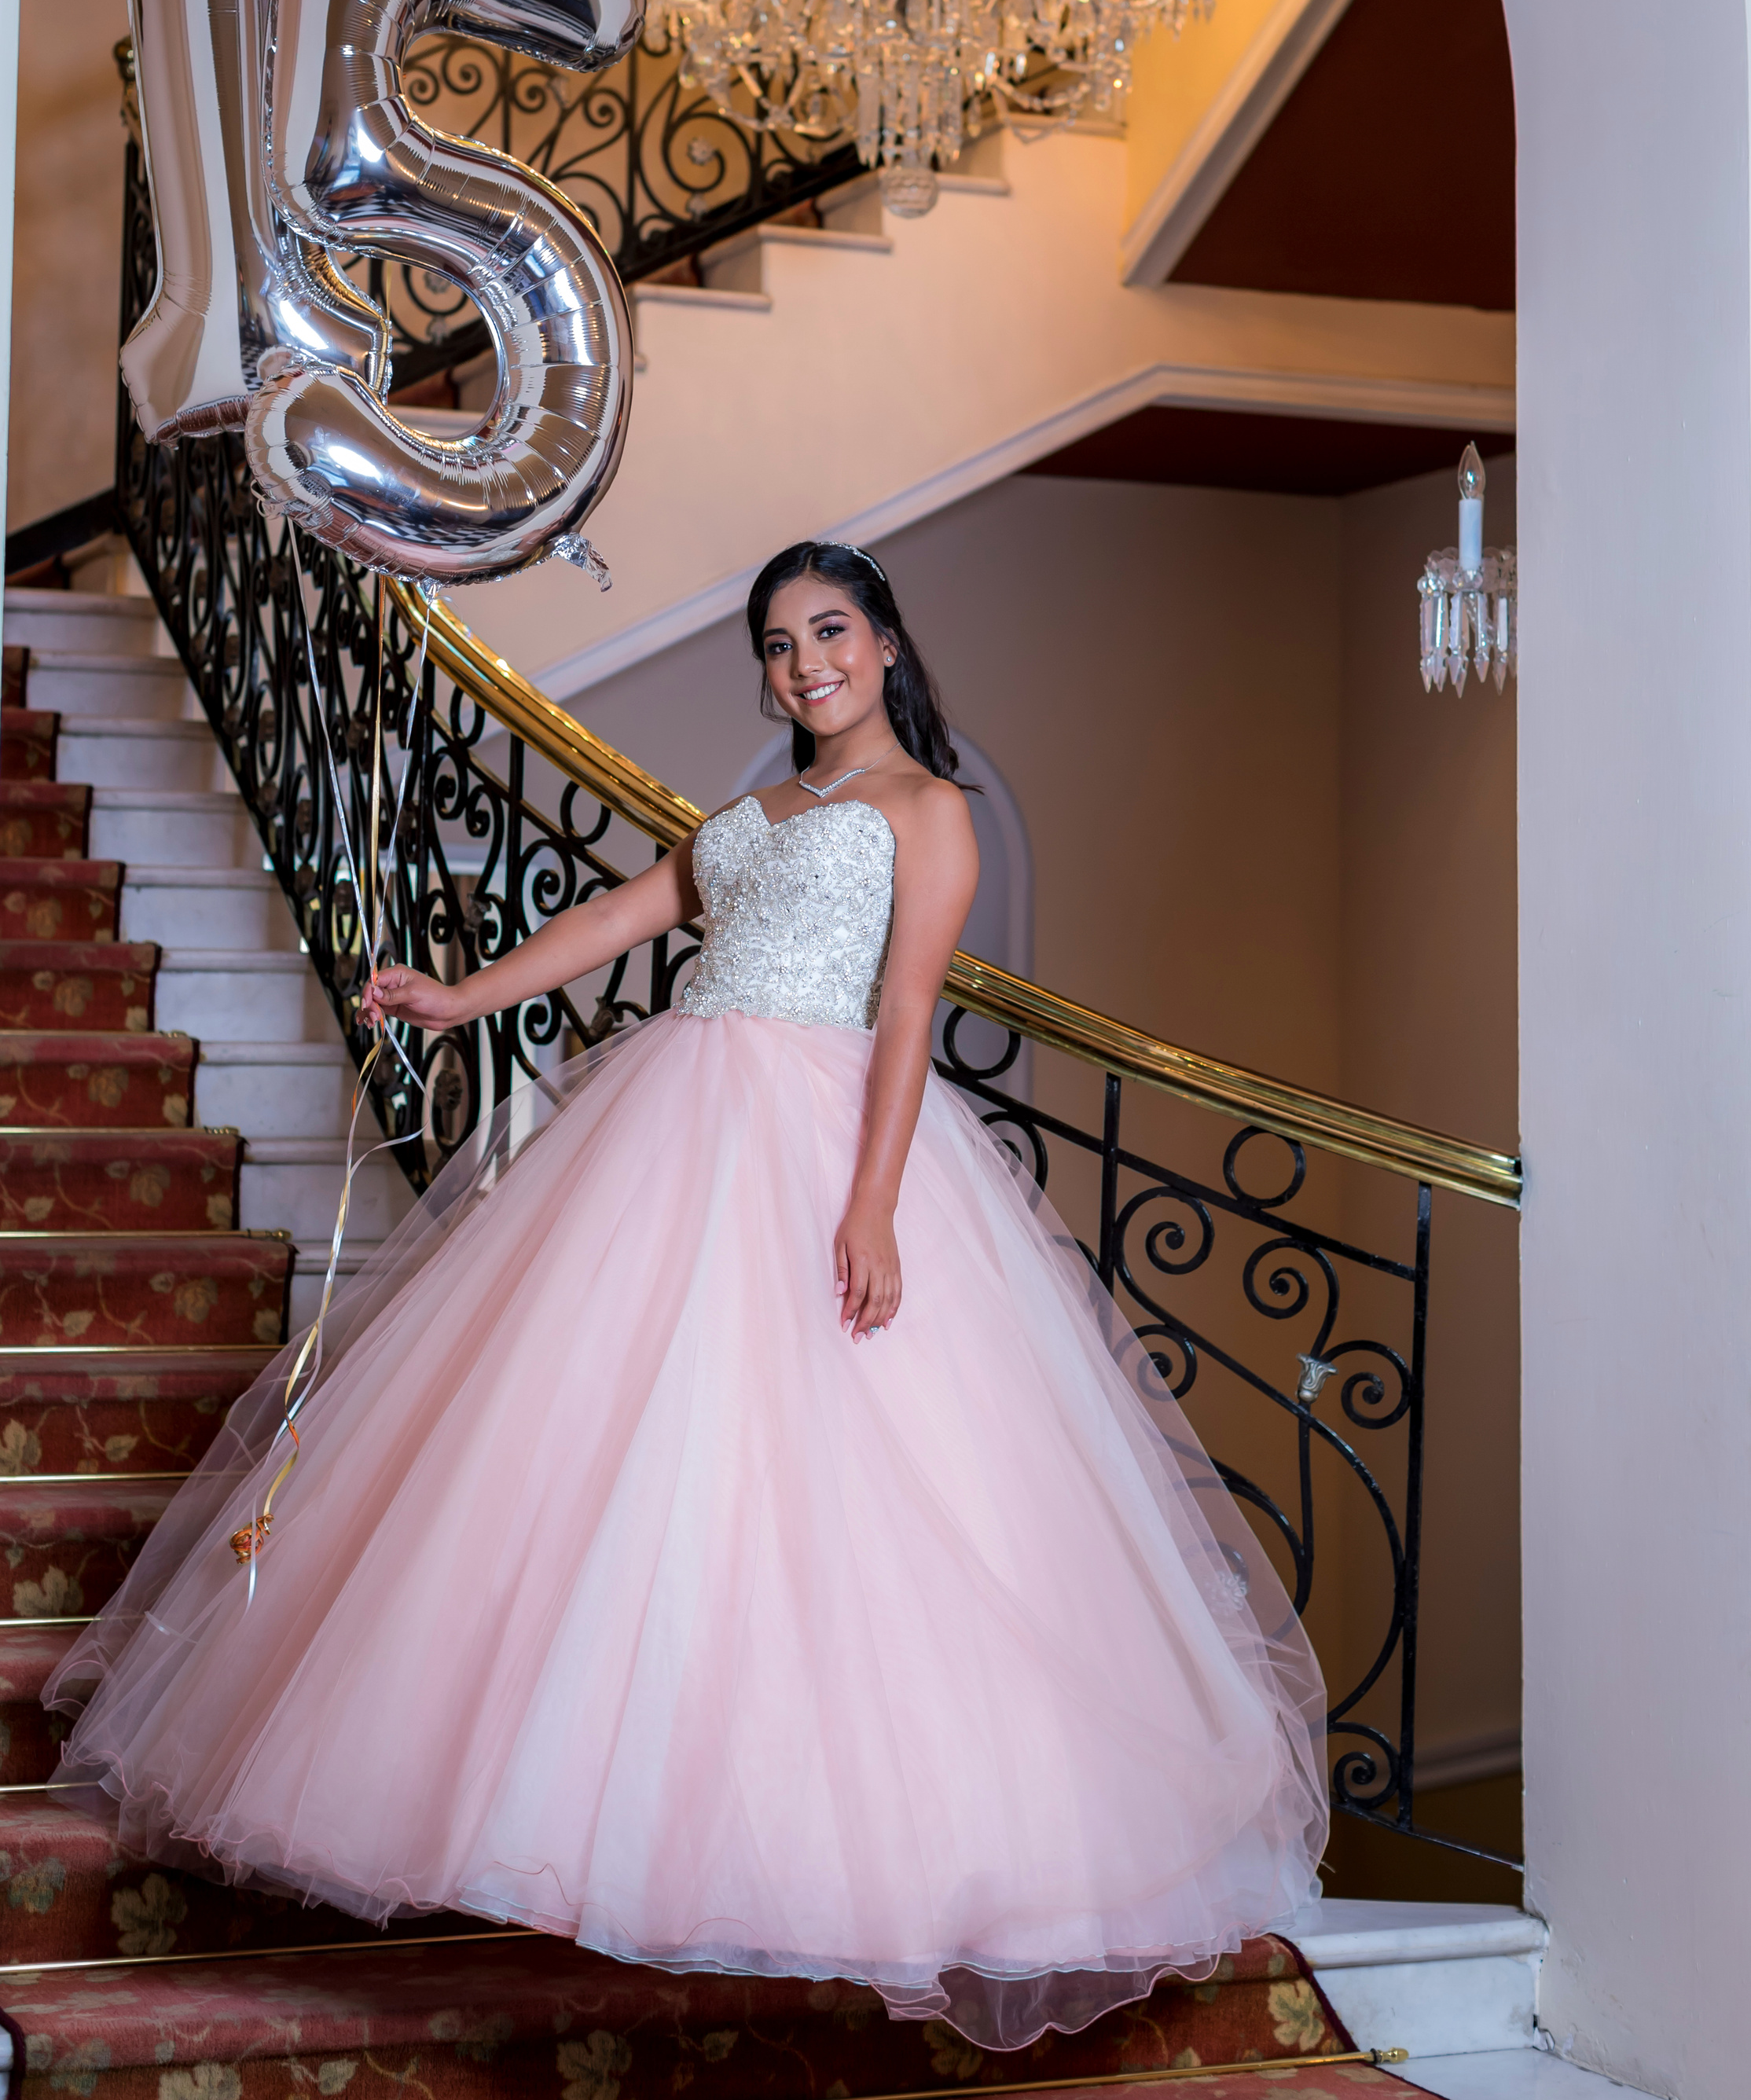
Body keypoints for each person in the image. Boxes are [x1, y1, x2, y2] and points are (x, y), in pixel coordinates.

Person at [47, 539, 1327, 2047]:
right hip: (674, 1120)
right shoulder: (748, 813)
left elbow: (909, 1014)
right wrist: (460, 995)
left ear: (891, 642)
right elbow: (619, 921)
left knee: (829, 1487)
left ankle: (832, 1853)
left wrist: (869, 1202)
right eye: (779, 645)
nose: (806, 665)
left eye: (832, 631)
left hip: (814, 1142)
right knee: (596, 1454)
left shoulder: (934, 813)